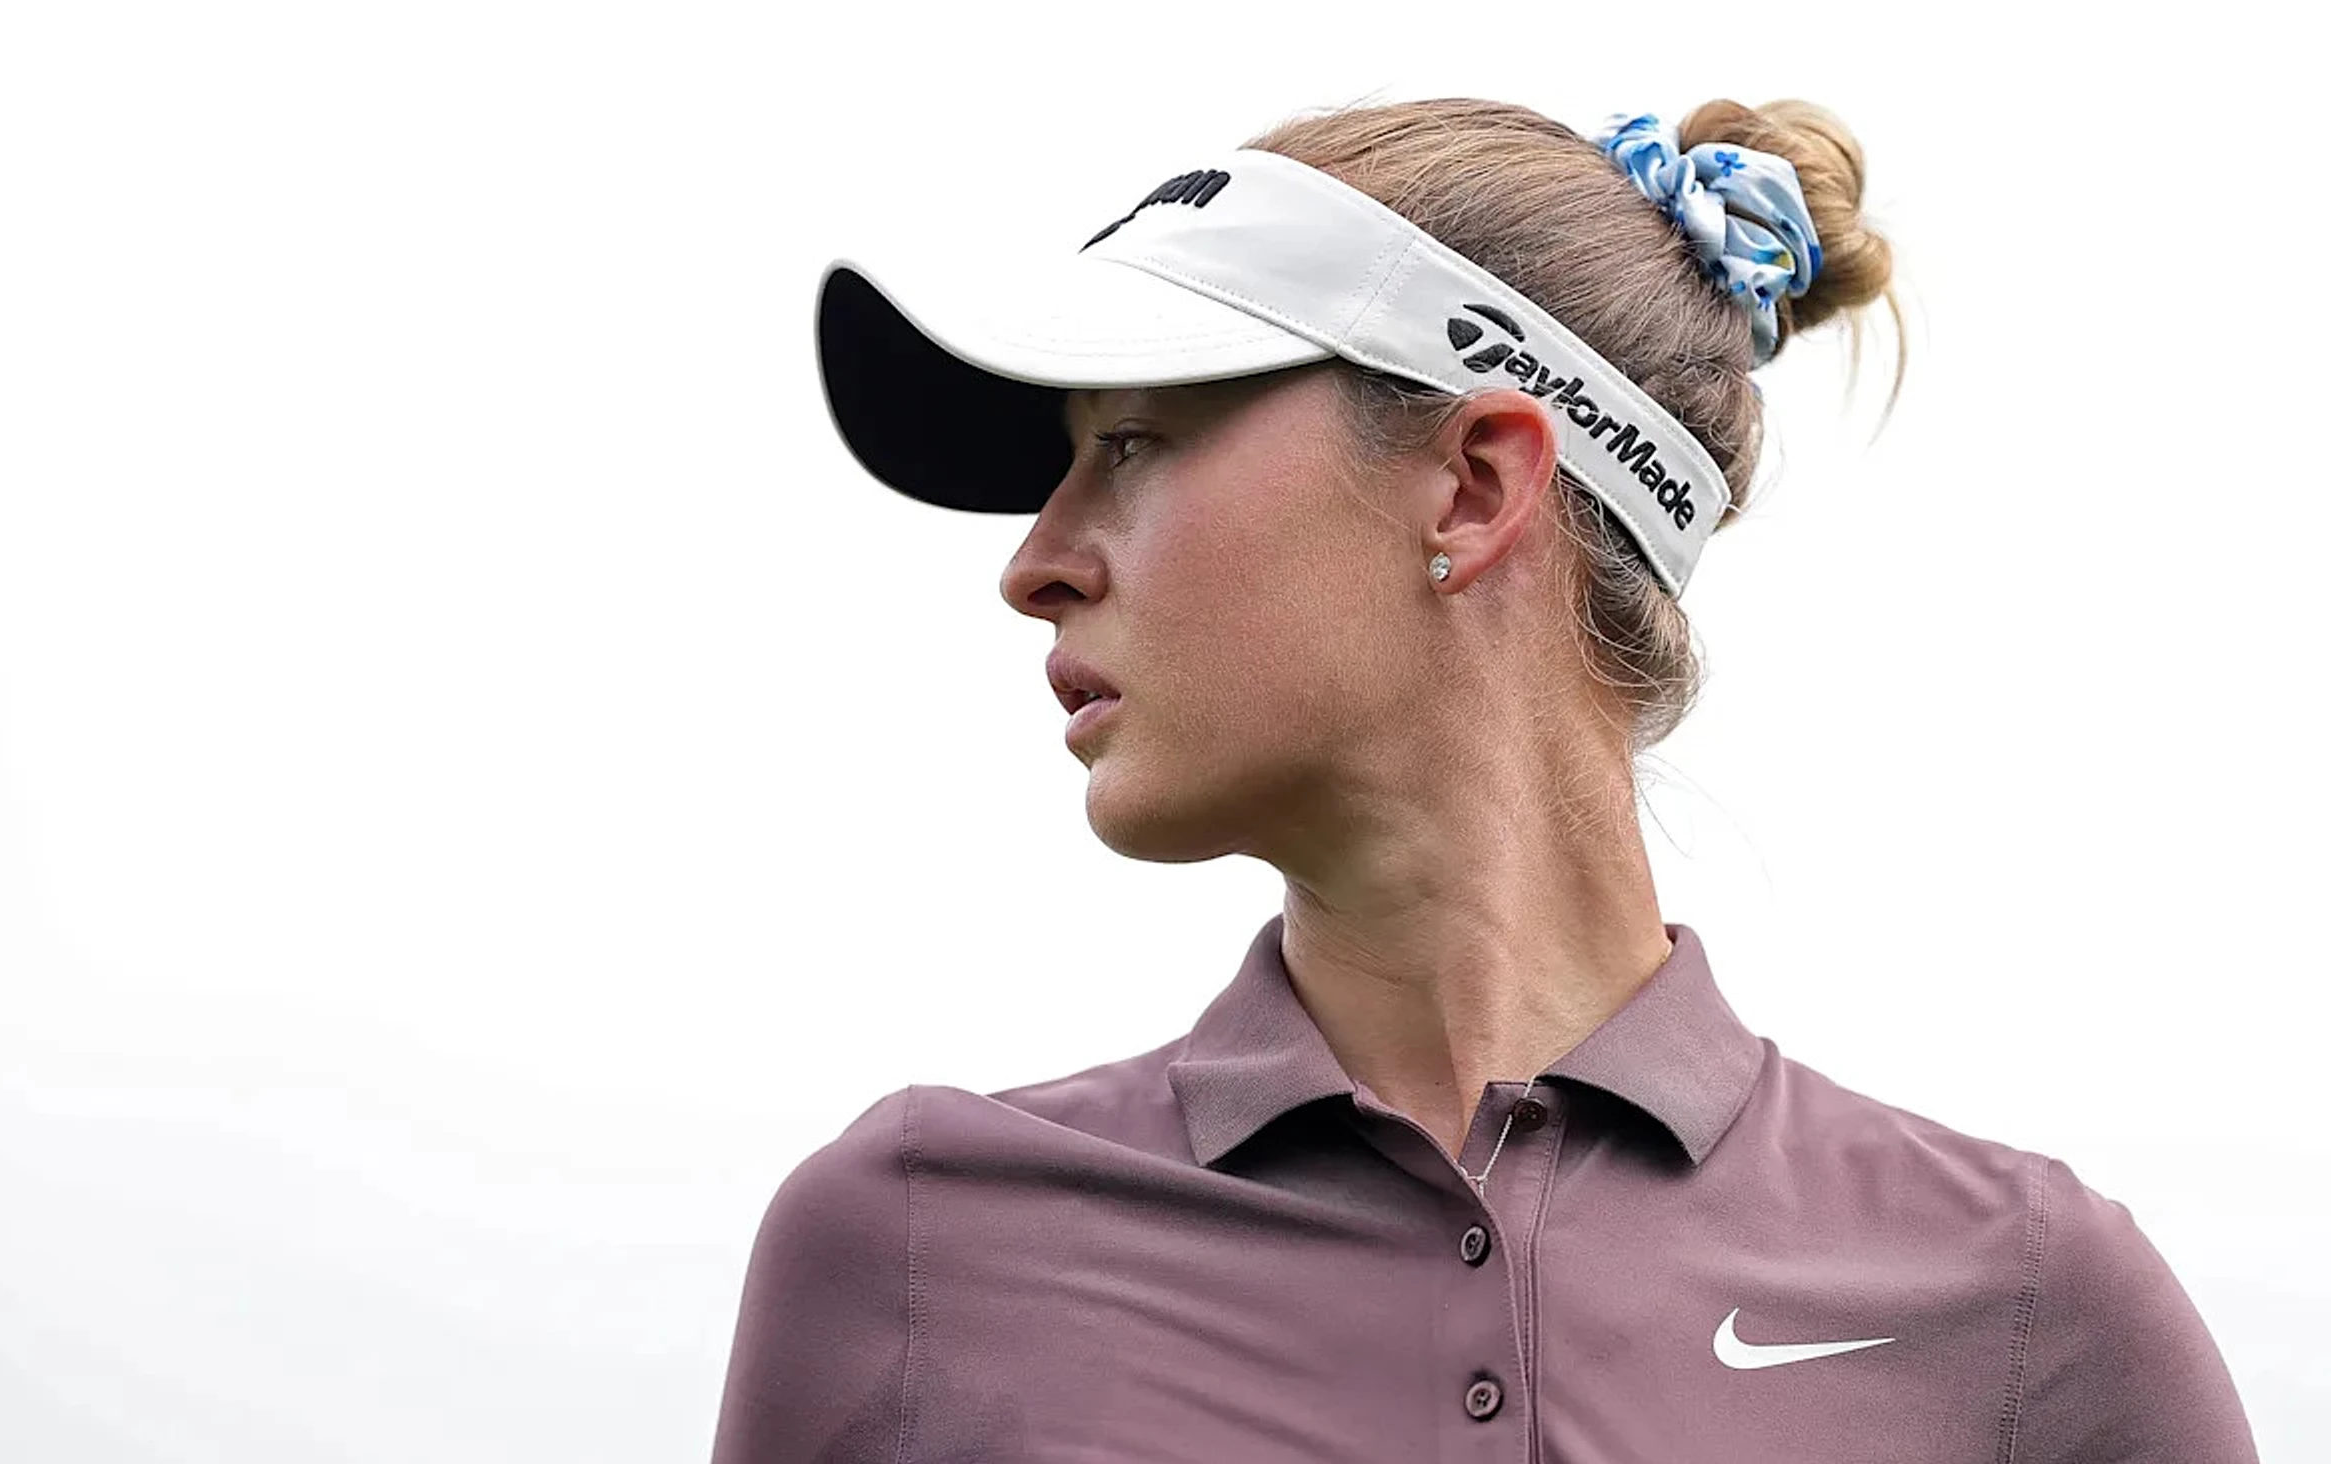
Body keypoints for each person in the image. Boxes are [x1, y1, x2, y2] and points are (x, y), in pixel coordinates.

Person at [713, 97, 2260, 1461]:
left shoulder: (2031, 1313)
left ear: (1473, 486)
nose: (1036, 567)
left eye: (1127, 442)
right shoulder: (911, 1248)